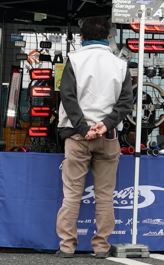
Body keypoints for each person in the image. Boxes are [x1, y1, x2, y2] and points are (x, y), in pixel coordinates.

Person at [55, 16, 134, 258]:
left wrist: (83, 128)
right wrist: (105, 125)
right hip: (108, 137)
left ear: (82, 37)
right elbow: (126, 102)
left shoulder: (74, 60)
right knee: (105, 197)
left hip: (78, 137)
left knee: (72, 195)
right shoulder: (120, 65)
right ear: (108, 38)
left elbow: (67, 96)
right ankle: (101, 247)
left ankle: (67, 247)